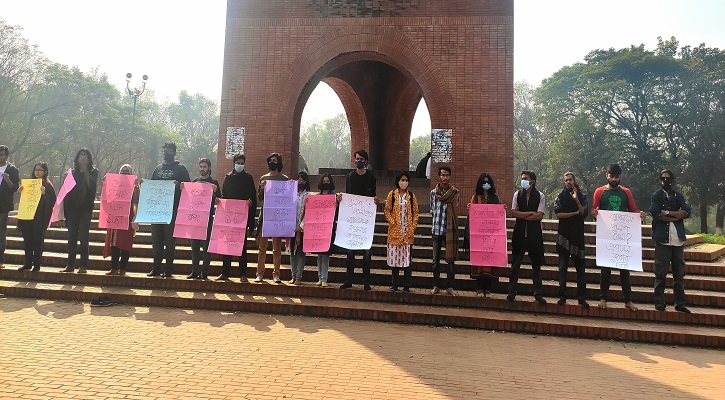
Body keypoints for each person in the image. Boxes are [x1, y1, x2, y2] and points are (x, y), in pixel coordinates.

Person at [591, 163, 643, 311]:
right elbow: (594, 211)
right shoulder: (599, 192)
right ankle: (603, 298)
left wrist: (639, 215)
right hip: (606, 235)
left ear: (620, 177)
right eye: (611, 176)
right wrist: (594, 214)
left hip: (623, 235)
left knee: (624, 269)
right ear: (607, 175)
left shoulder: (626, 192)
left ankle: (628, 300)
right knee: (605, 269)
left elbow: (633, 210)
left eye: (617, 176)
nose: (614, 179)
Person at [649, 169, 692, 313]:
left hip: (678, 240)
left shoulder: (678, 196)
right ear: (659, 179)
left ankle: (680, 303)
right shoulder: (656, 195)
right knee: (660, 272)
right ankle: (659, 302)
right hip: (662, 239)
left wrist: (666, 212)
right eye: (663, 178)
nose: (665, 181)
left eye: (668, 178)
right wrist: (675, 215)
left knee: (679, 274)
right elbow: (656, 213)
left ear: (672, 180)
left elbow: (686, 212)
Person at [147, 142, 191, 278]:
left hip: (172, 211)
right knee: (156, 241)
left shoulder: (181, 169)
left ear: (174, 152)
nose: (167, 153)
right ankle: (156, 268)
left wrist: (181, 186)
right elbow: (152, 186)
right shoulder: (158, 169)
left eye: (169, 151)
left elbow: (188, 188)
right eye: (165, 150)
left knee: (170, 241)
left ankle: (168, 270)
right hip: (157, 211)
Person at [339, 149, 379, 290]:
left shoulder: (371, 178)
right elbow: (348, 195)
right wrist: (341, 199)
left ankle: (366, 281)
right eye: (357, 159)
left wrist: (375, 202)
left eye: (361, 159)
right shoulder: (350, 177)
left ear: (366, 161)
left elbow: (372, 195)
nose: (359, 162)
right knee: (350, 251)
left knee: (366, 252)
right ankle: (348, 280)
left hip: (365, 219)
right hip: (352, 218)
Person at [507, 170, 547, 305]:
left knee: (536, 267)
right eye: (522, 178)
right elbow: (513, 213)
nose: (523, 180)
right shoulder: (517, 194)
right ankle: (512, 291)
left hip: (534, 235)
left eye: (525, 178)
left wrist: (523, 214)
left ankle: (538, 293)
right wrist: (530, 213)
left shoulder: (540, 196)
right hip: (519, 234)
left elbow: (539, 215)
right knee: (515, 266)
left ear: (533, 181)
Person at [216, 154, 257, 282]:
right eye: (238, 162)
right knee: (227, 245)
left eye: (242, 163)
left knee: (242, 246)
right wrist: (220, 202)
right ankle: (225, 273)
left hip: (242, 218)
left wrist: (250, 203)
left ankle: (242, 273)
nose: (240, 165)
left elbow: (253, 197)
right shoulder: (228, 178)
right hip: (229, 217)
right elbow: (224, 195)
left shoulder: (248, 178)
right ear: (233, 163)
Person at [554, 172, 589, 307]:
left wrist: (576, 200)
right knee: (562, 268)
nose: (568, 182)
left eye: (570, 180)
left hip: (577, 236)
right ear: (564, 182)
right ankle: (562, 296)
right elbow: (559, 214)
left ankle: (581, 297)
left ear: (574, 180)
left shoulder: (582, 196)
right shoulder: (560, 196)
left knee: (580, 269)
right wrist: (574, 213)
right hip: (564, 235)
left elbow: (584, 213)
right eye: (566, 180)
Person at [60, 148, 99, 274]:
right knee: (71, 237)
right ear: (76, 158)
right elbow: (66, 190)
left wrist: (85, 169)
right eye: (80, 155)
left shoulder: (94, 171)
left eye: (85, 155)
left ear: (89, 158)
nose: (82, 157)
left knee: (83, 237)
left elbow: (91, 186)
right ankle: (70, 265)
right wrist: (65, 180)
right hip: (71, 209)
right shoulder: (72, 172)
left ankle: (83, 265)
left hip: (85, 209)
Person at [466, 173, 503, 297]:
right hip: (479, 237)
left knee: (490, 263)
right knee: (479, 263)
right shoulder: (475, 198)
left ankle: (488, 288)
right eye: (484, 182)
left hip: (491, 237)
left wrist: (502, 210)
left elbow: (498, 215)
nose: (486, 184)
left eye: (488, 182)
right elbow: (472, 216)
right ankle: (479, 288)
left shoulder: (495, 198)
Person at [255, 152, 289, 283]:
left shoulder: (284, 179)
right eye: (270, 160)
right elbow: (260, 198)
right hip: (265, 216)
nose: (272, 162)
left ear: (279, 163)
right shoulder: (264, 178)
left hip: (278, 217)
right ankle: (260, 273)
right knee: (262, 247)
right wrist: (262, 188)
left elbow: (287, 198)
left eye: (275, 160)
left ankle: (276, 273)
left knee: (276, 248)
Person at [17, 162, 56, 272]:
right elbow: (25, 200)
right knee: (27, 240)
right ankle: (27, 263)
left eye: (40, 170)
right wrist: (22, 192)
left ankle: (37, 264)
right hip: (27, 216)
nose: (37, 172)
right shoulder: (29, 184)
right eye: (36, 170)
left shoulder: (47, 185)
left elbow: (52, 200)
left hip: (39, 217)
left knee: (38, 241)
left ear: (45, 172)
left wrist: (44, 194)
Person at [102, 164, 140, 276]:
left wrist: (136, 186)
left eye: (127, 172)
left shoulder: (134, 186)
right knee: (114, 244)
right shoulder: (114, 185)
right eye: (122, 171)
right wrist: (106, 183)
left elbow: (137, 201)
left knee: (126, 243)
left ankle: (122, 268)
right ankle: (114, 268)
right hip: (116, 217)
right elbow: (107, 198)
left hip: (128, 218)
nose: (124, 173)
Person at [385, 171, 419, 292]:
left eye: (406, 180)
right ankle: (394, 284)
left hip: (407, 232)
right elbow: (387, 210)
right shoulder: (392, 195)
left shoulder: (411, 196)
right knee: (395, 259)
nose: (403, 182)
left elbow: (415, 212)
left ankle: (407, 285)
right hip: (395, 232)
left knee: (407, 259)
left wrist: (413, 226)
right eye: (402, 180)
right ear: (398, 181)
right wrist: (392, 222)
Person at [188, 158, 220, 280]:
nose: (202, 169)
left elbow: (220, 201)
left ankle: (204, 273)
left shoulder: (214, 182)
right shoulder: (195, 182)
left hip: (208, 220)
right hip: (195, 220)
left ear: (209, 168)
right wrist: (183, 188)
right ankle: (194, 271)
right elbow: (188, 199)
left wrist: (216, 193)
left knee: (206, 248)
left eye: (205, 167)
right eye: (201, 166)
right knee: (194, 247)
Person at [430, 166, 460, 296]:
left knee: (450, 260)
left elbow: (455, 210)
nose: (445, 177)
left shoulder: (455, 193)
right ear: (439, 176)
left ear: (450, 176)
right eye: (442, 175)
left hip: (449, 231)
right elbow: (432, 210)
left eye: (447, 175)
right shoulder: (433, 193)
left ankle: (450, 286)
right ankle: (436, 285)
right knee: (435, 260)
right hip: (436, 229)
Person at [312, 173, 336, 287]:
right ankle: (319, 277)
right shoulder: (317, 196)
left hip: (328, 228)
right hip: (318, 228)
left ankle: (324, 278)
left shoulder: (334, 197)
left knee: (325, 255)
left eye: (328, 181)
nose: (326, 182)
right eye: (324, 181)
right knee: (319, 255)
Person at [289, 171, 311, 285]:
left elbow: (310, 213)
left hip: (303, 228)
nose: (300, 182)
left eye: (303, 180)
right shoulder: (292, 193)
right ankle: (293, 275)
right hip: (291, 227)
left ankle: (299, 277)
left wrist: (301, 226)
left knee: (301, 253)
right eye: (299, 179)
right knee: (292, 252)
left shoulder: (309, 196)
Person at [0, 145, 19, 269]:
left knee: (1, 232)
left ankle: (0, 259)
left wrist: (7, 180)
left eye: (1, 154)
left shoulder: (11, 169)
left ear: (6, 156)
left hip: (3, 205)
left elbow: (15, 188)